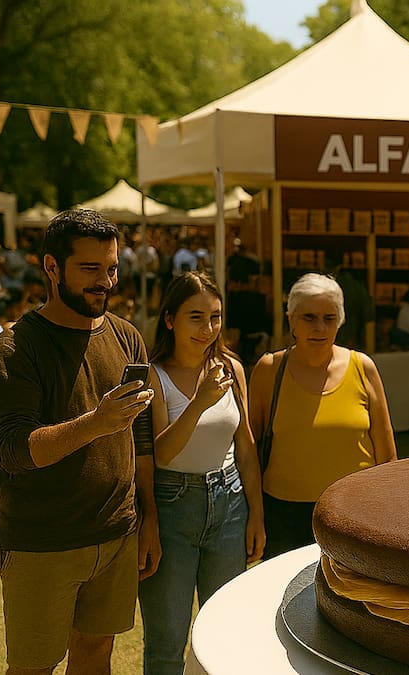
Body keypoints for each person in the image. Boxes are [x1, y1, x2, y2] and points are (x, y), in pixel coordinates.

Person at [0, 208, 160, 674]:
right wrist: (96, 422)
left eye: (112, 268)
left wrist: (149, 518)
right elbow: (14, 451)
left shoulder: (127, 337)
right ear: (52, 267)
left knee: (96, 654)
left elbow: (140, 437)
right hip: (43, 541)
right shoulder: (14, 349)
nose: (106, 281)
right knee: (34, 667)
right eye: (90, 269)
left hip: (118, 534)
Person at [138, 272, 266, 675]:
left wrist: (256, 515)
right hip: (172, 506)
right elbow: (160, 454)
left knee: (225, 632)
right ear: (170, 319)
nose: (208, 329)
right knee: (167, 641)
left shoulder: (231, 367)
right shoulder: (153, 376)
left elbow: (245, 445)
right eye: (196, 317)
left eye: (215, 317)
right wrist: (198, 402)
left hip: (229, 504)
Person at [249, 273, 397, 559]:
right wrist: (255, 514)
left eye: (329, 318)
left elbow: (387, 456)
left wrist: (386, 515)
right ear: (290, 319)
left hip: (354, 513)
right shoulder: (269, 369)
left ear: (341, 320)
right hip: (284, 516)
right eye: (309, 317)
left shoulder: (363, 367)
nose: (319, 327)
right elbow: (250, 451)